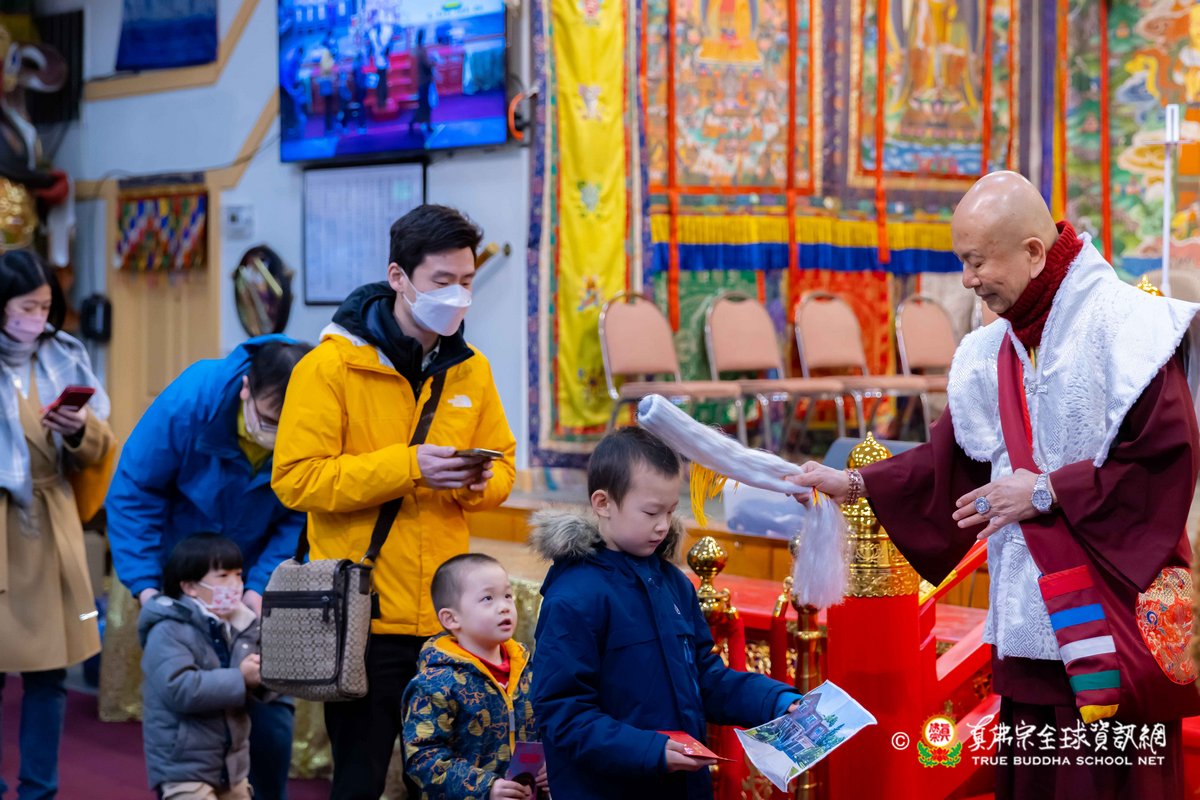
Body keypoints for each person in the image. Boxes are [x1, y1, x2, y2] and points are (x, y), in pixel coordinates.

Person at [791, 171, 1200, 800]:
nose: (967, 280)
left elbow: (1162, 462)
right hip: (1029, 620)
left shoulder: (1130, 327)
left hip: (1110, 625)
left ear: (1033, 252)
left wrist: (1045, 491)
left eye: (977, 261)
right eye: (962, 261)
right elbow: (951, 461)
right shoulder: (987, 352)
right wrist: (852, 483)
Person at [272, 203, 517, 800]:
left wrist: (478, 483)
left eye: (466, 281)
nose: (457, 296)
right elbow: (297, 480)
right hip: (366, 612)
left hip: (448, 617)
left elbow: (505, 466)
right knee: (359, 780)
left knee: (446, 782)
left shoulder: (471, 370)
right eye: (442, 281)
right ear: (398, 277)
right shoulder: (330, 367)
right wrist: (408, 468)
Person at [529, 426, 802, 800]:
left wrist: (775, 701)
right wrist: (650, 750)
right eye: (651, 512)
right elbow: (563, 713)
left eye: (671, 511)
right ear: (603, 503)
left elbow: (705, 677)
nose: (663, 525)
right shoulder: (574, 597)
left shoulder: (672, 583)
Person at [106, 335, 311, 800]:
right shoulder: (192, 400)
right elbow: (135, 491)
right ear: (245, 389)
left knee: (271, 706)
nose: (279, 432)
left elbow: (301, 514)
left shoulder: (318, 410)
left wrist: (258, 587)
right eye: (271, 420)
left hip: (253, 576)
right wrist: (147, 589)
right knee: (187, 711)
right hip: (186, 577)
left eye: (292, 425)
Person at [0, 249, 114, 800]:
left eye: (45, 306)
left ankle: (39, 790)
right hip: (2, 528)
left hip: (49, 525)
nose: (37, 318)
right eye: (26, 307)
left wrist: (77, 429)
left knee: (49, 673)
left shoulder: (65, 353)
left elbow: (100, 445)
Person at [402, 554, 547, 800]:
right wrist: (485, 788)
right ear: (451, 618)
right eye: (487, 598)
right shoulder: (436, 683)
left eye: (507, 595)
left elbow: (547, 727)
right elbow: (423, 757)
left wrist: (550, 765)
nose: (504, 606)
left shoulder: (527, 669)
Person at [139, 534, 271, 800]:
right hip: (183, 766)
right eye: (223, 576)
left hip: (232, 765)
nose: (235, 584)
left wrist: (264, 678)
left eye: (238, 574)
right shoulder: (168, 629)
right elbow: (180, 689)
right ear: (190, 587)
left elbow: (262, 687)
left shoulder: (243, 624)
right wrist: (241, 678)